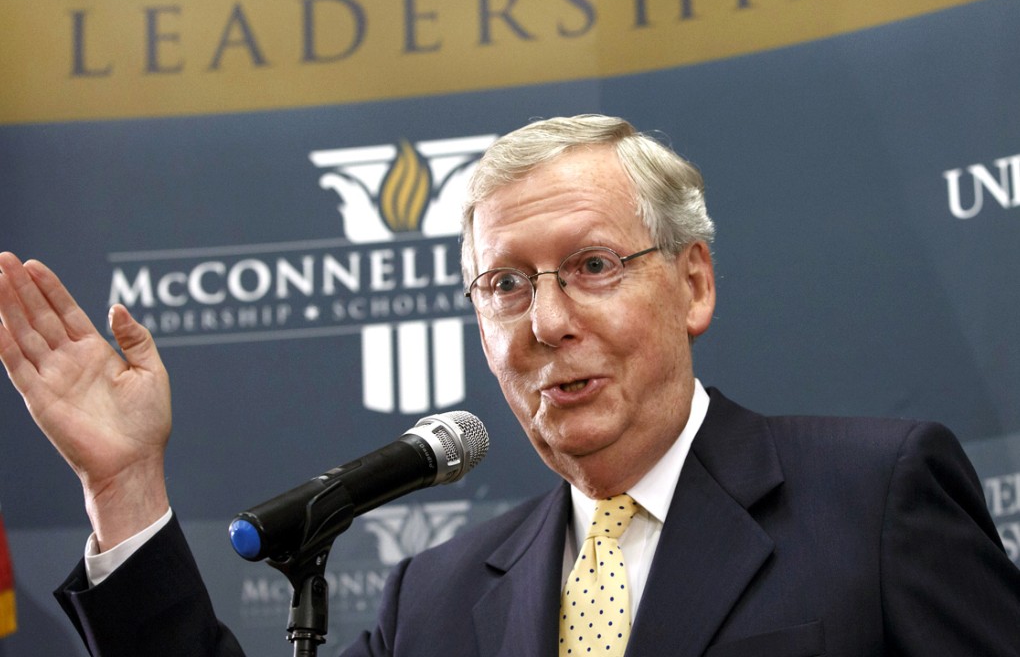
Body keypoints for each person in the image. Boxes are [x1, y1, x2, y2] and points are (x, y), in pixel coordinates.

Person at [0, 114, 1018, 656]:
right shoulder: (436, 598)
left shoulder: (874, 496)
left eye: (592, 265)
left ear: (693, 281)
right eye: (504, 284)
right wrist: (125, 482)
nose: (547, 321)